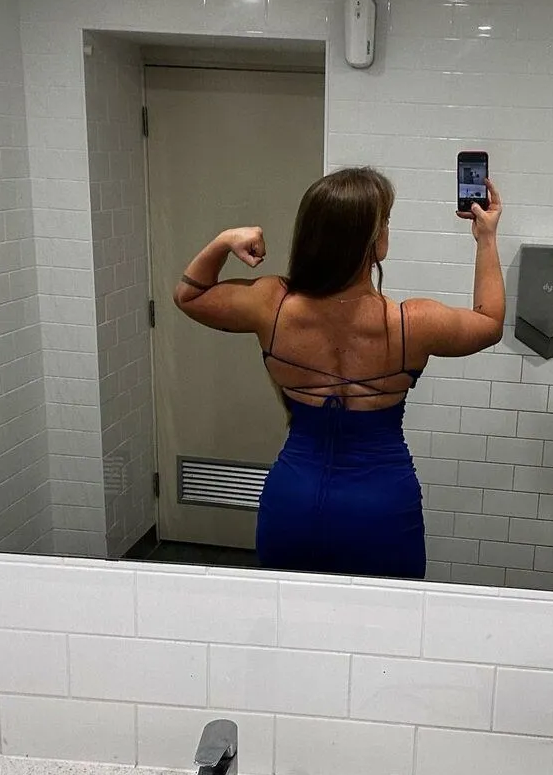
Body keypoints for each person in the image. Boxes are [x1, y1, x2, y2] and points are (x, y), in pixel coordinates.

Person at [174, 167, 504, 579]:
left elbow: (189, 295)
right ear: (373, 240)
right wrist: (486, 237)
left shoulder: (272, 304)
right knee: (383, 617)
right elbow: (490, 322)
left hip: (292, 505)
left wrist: (224, 240)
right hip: (381, 512)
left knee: (291, 616)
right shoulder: (412, 323)